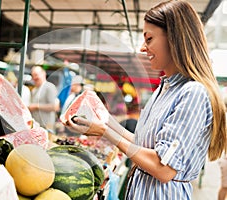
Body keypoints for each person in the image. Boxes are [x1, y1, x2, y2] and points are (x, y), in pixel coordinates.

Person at [64, 1, 227, 199]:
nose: (143, 48)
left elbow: (163, 168)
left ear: (175, 39)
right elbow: (144, 145)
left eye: (149, 39)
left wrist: (106, 132)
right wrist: (105, 119)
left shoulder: (193, 93)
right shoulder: (165, 88)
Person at [28, 66, 60, 131]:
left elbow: (55, 107)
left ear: (43, 73)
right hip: (36, 126)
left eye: (36, 75)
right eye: (33, 75)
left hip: (47, 126)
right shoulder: (34, 90)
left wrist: (36, 106)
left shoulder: (49, 87)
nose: (34, 77)